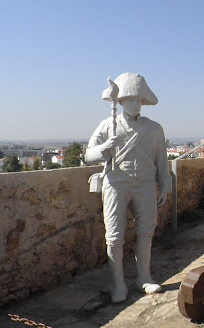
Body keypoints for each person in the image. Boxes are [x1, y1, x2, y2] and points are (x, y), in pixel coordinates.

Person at [85, 73, 171, 302]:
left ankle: (144, 277)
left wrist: (165, 186)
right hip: (116, 185)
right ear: (120, 101)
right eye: (129, 99)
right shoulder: (107, 125)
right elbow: (89, 154)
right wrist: (104, 148)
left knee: (146, 232)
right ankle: (119, 285)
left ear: (143, 102)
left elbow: (162, 161)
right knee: (113, 237)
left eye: (138, 99)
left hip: (145, 185)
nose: (134, 103)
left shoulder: (154, 129)